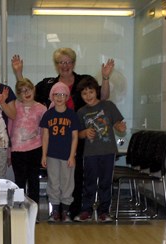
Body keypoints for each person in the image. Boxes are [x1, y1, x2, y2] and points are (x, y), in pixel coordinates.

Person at [12, 49, 115, 217]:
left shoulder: (83, 80)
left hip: (78, 140)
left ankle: (72, 211)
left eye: (68, 62)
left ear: (73, 63)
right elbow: (27, 93)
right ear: (56, 65)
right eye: (61, 62)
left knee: (76, 178)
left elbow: (102, 98)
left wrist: (105, 77)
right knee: (55, 179)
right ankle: (55, 212)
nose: (65, 65)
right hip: (54, 144)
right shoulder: (47, 84)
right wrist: (18, 74)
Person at [75, 77, 127, 223]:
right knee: (89, 182)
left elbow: (117, 123)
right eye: (84, 94)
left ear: (96, 91)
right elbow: (77, 134)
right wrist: (84, 133)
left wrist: (120, 127)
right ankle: (86, 210)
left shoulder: (108, 105)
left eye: (91, 92)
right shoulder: (81, 112)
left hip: (108, 151)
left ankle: (104, 211)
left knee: (106, 182)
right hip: (90, 153)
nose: (88, 96)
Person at [40, 82, 81, 223]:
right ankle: (55, 211)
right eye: (56, 94)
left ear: (67, 97)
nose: (59, 97)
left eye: (63, 95)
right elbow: (45, 137)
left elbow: (75, 137)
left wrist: (72, 155)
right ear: (52, 96)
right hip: (52, 155)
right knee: (53, 182)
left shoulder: (72, 115)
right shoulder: (48, 115)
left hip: (67, 156)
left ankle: (65, 211)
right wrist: (44, 155)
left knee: (67, 183)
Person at [8, 78, 47, 204]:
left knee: (33, 181)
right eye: (22, 91)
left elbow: (44, 132)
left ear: (34, 89)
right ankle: (19, 208)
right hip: (17, 150)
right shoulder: (14, 105)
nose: (26, 93)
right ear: (18, 95)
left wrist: (44, 153)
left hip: (35, 149)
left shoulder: (41, 108)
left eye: (28, 89)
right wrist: (9, 151)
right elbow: (9, 128)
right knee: (19, 182)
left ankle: (33, 210)